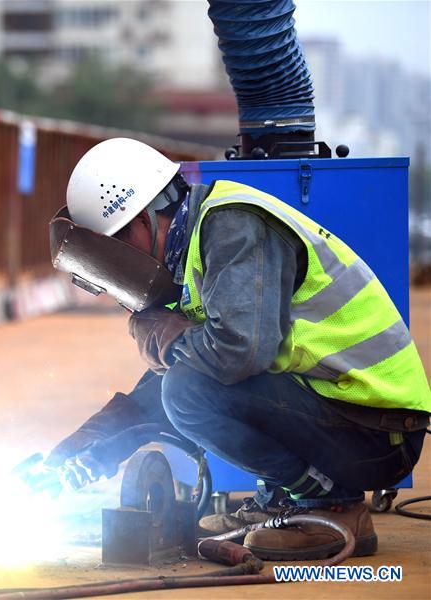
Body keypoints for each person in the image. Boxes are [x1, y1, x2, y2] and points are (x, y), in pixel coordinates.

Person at [45, 138, 430, 561]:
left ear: (140, 221)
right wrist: (90, 447)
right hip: (342, 415)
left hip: (378, 433)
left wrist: (172, 338)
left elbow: (238, 354)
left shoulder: (232, 228)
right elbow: (172, 383)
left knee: (186, 390)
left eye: (114, 252)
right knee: (183, 382)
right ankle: (287, 497)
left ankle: (330, 505)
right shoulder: (192, 246)